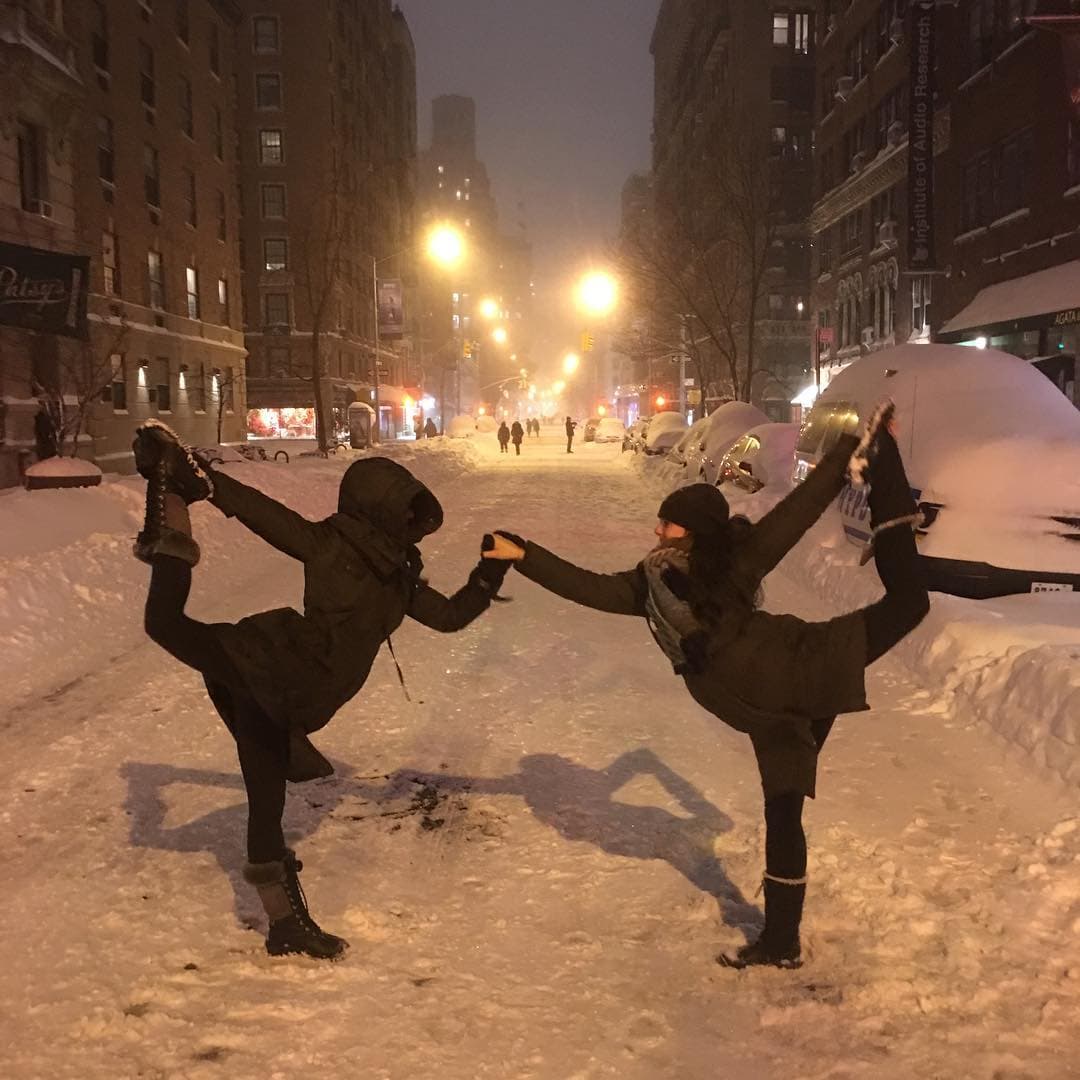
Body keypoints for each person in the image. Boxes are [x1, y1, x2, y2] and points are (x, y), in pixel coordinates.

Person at [484, 403, 928, 970]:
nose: (656, 531)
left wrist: (846, 455)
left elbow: (796, 512)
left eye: (667, 525)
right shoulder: (649, 586)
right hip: (768, 713)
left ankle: (881, 461)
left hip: (804, 664)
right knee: (784, 812)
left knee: (910, 603)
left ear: (693, 533)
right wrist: (524, 555)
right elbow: (586, 587)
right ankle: (782, 942)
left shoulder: (736, 563)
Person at [131, 420, 510, 960]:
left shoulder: (397, 579)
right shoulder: (330, 545)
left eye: (414, 511)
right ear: (378, 508)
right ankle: (171, 498)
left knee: (266, 805)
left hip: (290, 694)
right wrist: (206, 481)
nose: (411, 521)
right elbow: (266, 515)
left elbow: (449, 617)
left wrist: (491, 571)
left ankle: (286, 927)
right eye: (404, 509)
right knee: (165, 623)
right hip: (276, 667)